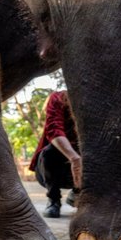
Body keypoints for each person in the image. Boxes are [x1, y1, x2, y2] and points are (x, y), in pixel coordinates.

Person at [30, 90, 82, 218]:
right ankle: (53, 200)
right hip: (52, 170)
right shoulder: (58, 97)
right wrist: (74, 158)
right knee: (49, 152)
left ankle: (78, 192)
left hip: (84, 167)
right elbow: (54, 130)